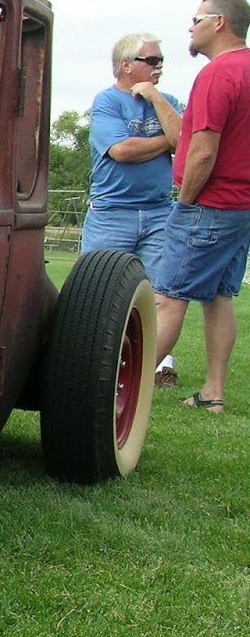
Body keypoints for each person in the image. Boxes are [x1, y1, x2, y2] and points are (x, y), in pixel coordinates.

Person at [152, 0, 250, 412]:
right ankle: (213, 392)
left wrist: (187, 200)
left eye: (195, 19)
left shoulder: (218, 74)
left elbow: (203, 151)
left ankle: (116, 389)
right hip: (242, 207)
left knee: (168, 298)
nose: (190, 28)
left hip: (211, 204)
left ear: (219, 22)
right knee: (218, 297)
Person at [83, 32, 184, 386]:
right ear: (126, 65)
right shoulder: (107, 102)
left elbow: (185, 141)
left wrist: (156, 98)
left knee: (160, 293)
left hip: (160, 213)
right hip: (112, 212)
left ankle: (159, 366)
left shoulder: (167, 100)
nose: (159, 67)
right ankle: (95, 362)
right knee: (99, 292)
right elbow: (121, 151)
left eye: (160, 61)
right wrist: (166, 142)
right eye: (151, 61)